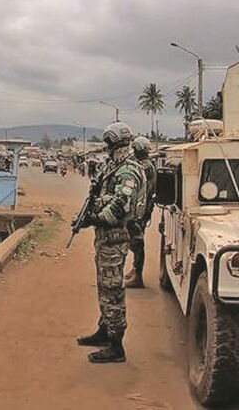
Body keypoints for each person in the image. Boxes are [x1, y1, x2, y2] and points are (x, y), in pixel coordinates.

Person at [75, 122, 145, 363]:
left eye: (108, 143)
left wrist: (95, 218)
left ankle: (116, 346)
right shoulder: (113, 168)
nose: (106, 148)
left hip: (115, 237)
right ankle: (105, 331)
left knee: (113, 289)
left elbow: (121, 206)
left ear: (115, 143)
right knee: (104, 286)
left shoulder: (128, 172)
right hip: (105, 238)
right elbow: (102, 197)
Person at [124, 136, 157, 289]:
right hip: (143, 208)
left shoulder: (145, 166)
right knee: (135, 240)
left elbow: (137, 188)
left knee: (137, 242)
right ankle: (135, 270)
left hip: (141, 210)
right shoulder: (146, 164)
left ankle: (138, 276)